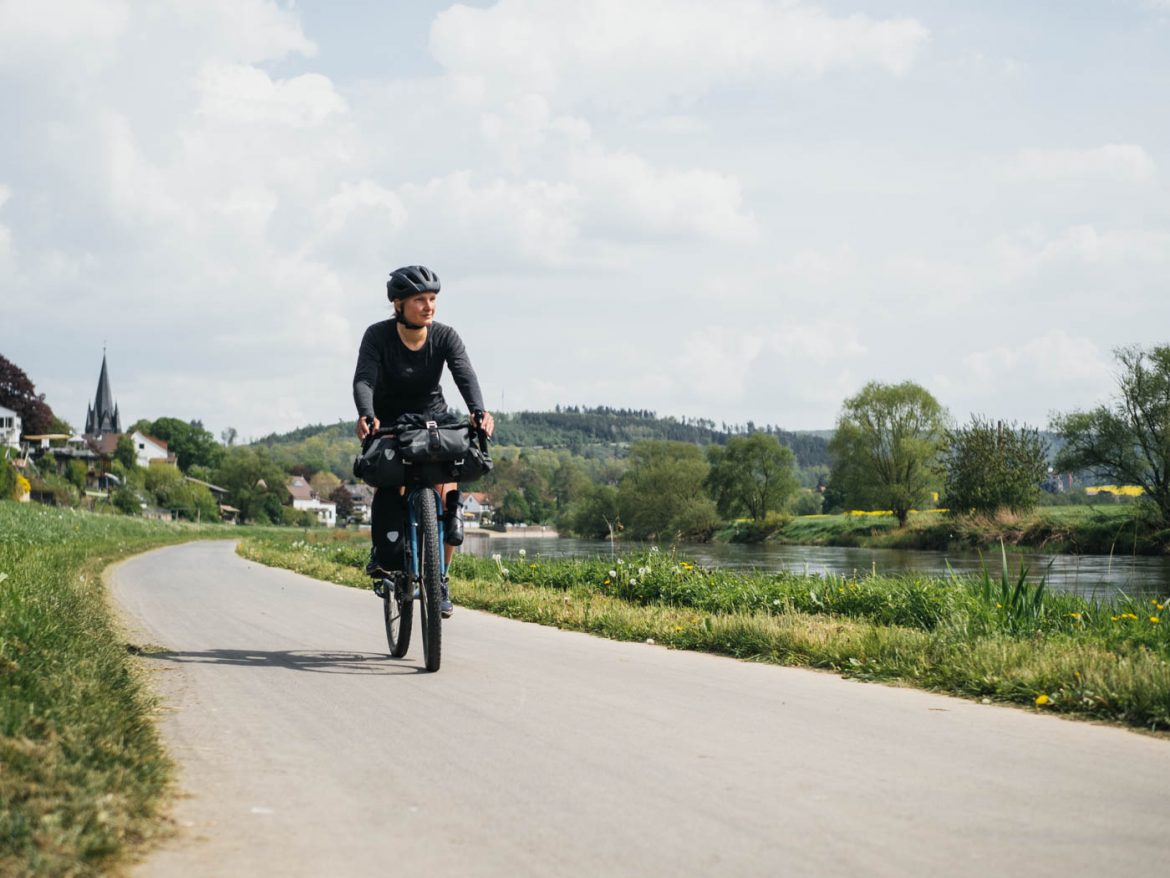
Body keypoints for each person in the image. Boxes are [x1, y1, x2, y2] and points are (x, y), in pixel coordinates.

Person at [353, 265, 494, 617]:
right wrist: (367, 414)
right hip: (390, 422)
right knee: (394, 487)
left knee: (447, 496)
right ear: (398, 304)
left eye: (433, 299)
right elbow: (364, 380)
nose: (429, 306)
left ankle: (441, 579)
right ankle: (389, 555)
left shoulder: (445, 336)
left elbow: (465, 374)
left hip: (434, 419)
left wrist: (479, 411)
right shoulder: (377, 336)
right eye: (420, 300)